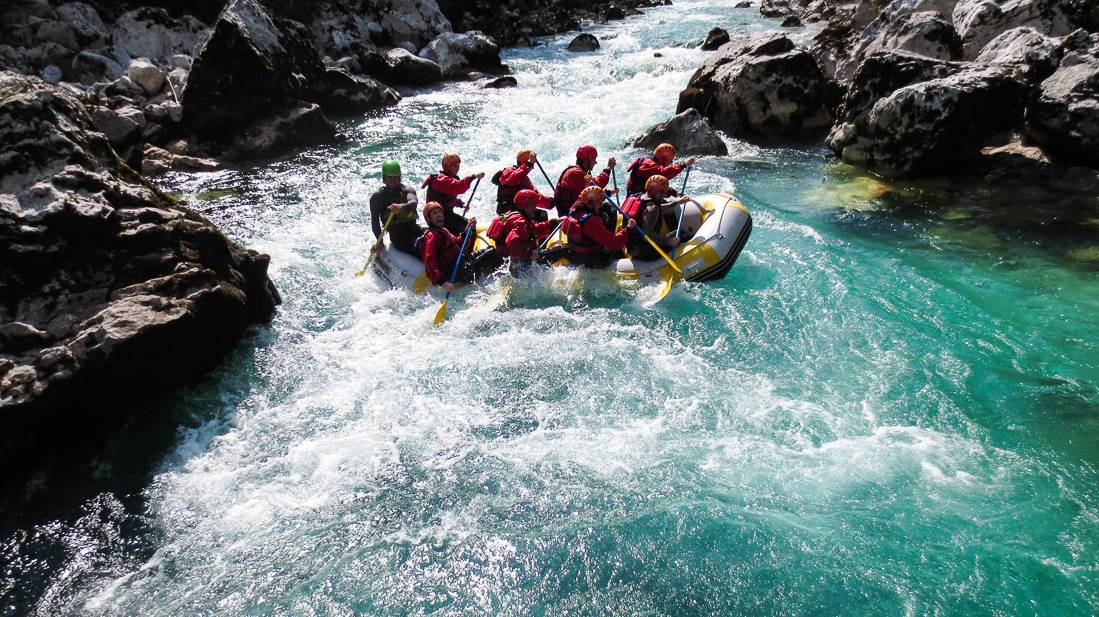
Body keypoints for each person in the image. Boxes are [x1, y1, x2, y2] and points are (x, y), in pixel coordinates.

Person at [560, 186, 636, 267]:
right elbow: (614, 243)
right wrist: (628, 228)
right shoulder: (592, 221)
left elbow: (584, 195)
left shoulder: (574, 207)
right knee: (617, 249)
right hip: (591, 259)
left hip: (574, 254)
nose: (601, 206)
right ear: (591, 203)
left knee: (606, 207)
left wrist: (608, 192)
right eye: (600, 203)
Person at [627, 174, 688, 261]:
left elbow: (657, 209)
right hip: (644, 251)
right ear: (652, 191)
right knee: (682, 235)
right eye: (662, 192)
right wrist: (669, 242)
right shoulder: (652, 209)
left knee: (674, 233)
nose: (664, 195)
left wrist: (677, 202)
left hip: (631, 247)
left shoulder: (639, 196)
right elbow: (647, 235)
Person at [422, 152, 485, 234]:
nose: (457, 168)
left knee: (469, 227)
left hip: (446, 215)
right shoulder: (441, 180)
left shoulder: (449, 178)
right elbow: (459, 187)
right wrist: (473, 177)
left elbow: (446, 199)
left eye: (458, 166)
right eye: (455, 166)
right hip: (439, 217)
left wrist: (460, 204)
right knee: (469, 228)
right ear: (447, 167)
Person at [369, 160, 422, 256]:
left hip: (414, 229)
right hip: (398, 237)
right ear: (384, 178)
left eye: (395, 177)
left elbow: (413, 203)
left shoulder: (408, 190)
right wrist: (380, 243)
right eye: (389, 177)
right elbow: (375, 222)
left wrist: (401, 207)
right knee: (421, 247)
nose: (392, 180)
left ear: (399, 177)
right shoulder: (377, 198)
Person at [552, 144, 616, 217]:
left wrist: (609, 193)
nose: (595, 162)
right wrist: (608, 168)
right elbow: (597, 185)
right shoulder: (575, 173)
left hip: (574, 210)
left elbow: (590, 191)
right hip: (572, 214)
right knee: (608, 209)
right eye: (594, 159)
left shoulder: (577, 172)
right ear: (586, 160)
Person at [499, 189, 557, 268]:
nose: (535, 208)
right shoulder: (521, 223)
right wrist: (530, 254)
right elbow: (513, 242)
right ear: (524, 206)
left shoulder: (513, 216)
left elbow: (533, 230)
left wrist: (554, 222)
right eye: (533, 205)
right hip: (517, 264)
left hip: (508, 258)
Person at [625, 143, 696, 195]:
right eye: (670, 160)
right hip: (638, 199)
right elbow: (665, 173)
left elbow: (658, 185)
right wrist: (684, 165)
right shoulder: (649, 165)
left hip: (640, 196)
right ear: (663, 159)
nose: (671, 162)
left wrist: (675, 194)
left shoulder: (649, 163)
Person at [492, 149, 544, 215]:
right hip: (507, 209)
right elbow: (513, 178)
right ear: (524, 162)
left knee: (542, 214)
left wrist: (553, 202)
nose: (532, 167)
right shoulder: (508, 171)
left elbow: (536, 197)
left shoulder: (525, 179)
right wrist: (529, 163)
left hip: (519, 209)